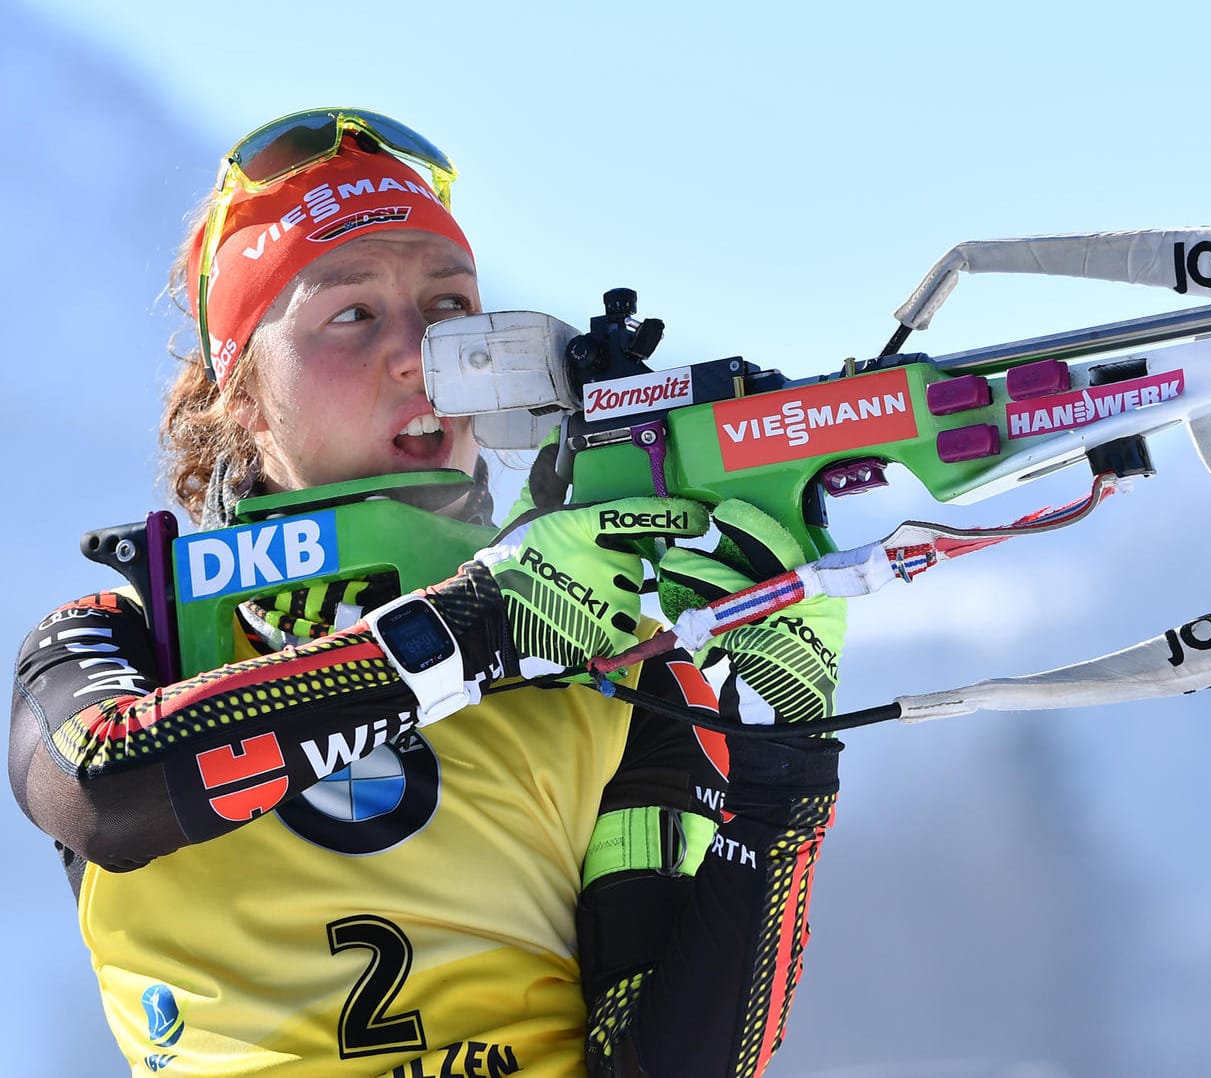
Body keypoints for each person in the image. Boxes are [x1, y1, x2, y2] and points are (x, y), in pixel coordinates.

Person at [9, 108, 846, 1077]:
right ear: (238, 393)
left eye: (451, 309)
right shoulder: (132, 643)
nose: (421, 358)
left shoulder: (606, 667)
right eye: (351, 314)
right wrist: (476, 630)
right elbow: (102, 787)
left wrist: (781, 767)